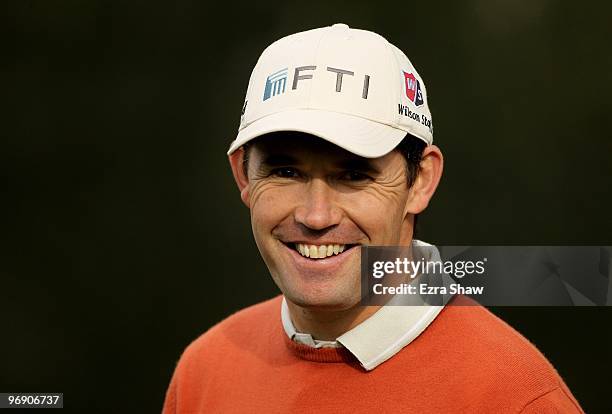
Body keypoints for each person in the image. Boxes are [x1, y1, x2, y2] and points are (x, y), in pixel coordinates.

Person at [162, 24, 583, 413]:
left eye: (354, 174)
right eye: (285, 171)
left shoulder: (516, 399)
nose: (316, 214)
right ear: (243, 175)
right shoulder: (205, 371)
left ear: (420, 182)